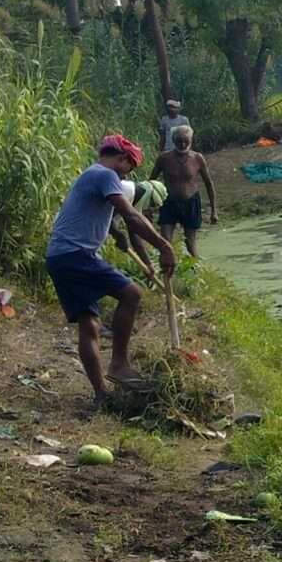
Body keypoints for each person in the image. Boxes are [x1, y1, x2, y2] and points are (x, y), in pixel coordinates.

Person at [47, 134, 177, 403]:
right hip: (77, 254)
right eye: (131, 167)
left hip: (58, 257)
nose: (129, 173)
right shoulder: (106, 175)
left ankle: (101, 395)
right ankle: (118, 364)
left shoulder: (92, 174)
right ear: (122, 160)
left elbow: (98, 213)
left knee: (89, 324)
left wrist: (115, 235)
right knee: (132, 294)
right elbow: (130, 214)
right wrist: (164, 246)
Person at [149, 125, 218, 258]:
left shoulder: (197, 158)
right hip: (169, 202)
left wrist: (214, 211)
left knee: (191, 244)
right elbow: (151, 182)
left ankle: (196, 272)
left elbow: (209, 184)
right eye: (179, 140)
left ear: (191, 140)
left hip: (191, 202)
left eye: (185, 140)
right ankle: (167, 273)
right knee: (165, 243)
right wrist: (149, 207)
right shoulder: (164, 158)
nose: (182, 144)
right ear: (173, 140)